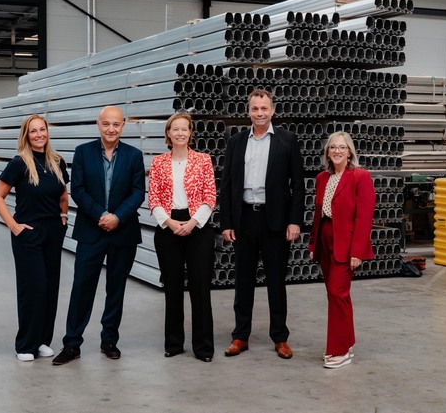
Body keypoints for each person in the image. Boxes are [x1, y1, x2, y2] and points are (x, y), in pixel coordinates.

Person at [52, 106, 145, 365]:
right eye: (106, 124)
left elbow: (138, 192)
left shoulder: (134, 155)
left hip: (123, 232)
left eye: (116, 124)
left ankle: (109, 340)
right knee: (82, 287)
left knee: (116, 288)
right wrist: (102, 215)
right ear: (98, 124)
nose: (111, 129)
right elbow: (78, 190)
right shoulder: (83, 152)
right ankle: (72, 343)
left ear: (123, 125)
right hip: (91, 231)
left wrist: (117, 217)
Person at [220, 88, 305, 359]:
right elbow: (227, 185)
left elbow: (298, 185)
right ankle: (240, 336)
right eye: (255, 109)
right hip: (244, 219)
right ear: (248, 111)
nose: (260, 113)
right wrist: (227, 222)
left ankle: (280, 337)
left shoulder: (287, 140)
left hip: (275, 220)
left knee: (276, 281)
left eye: (264, 108)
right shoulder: (236, 142)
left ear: (272, 110)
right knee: (242, 281)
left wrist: (295, 221)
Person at [0, 114, 69, 362]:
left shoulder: (57, 161)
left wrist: (64, 215)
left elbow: (63, 194)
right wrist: (14, 226)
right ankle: (25, 344)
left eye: (42, 129)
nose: (39, 135)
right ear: (26, 135)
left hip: (53, 233)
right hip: (29, 234)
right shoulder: (19, 163)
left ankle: (42, 341)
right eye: (33, 131)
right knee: (34, 288)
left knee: (50, 287)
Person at [148, 113, 216, 363]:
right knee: (172, 287)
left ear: (190, 133)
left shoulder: (203, 160)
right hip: (168, 226)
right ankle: (174, 343)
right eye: (175, 129)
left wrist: (193, 222)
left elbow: (210, 196)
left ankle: (203, 347)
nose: (179, 133)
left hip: (198, 226)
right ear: (168, 133)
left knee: (201, 288)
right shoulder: (158, 162)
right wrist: (169, 222)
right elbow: (153, 198)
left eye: (184, 129)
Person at [308, 131, 376, 369]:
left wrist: (357, 251)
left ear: (349, 152)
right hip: (325, 240)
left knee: (338, 293)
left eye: (342, 147)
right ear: (328, 152)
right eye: (333, 147)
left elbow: (364, 217)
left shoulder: (360, 177)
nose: (337, 151)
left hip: (346, 244)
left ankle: (339, 351)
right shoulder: (322, 178)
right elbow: (318, 214)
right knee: (336, 296)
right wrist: (313, 244)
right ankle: (346, 342)